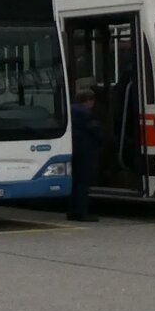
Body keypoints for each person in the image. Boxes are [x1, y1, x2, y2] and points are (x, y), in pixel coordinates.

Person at [69, 86, 104, 221]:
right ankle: (81, 213)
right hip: (85, 151)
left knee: (75, 182)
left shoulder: (70, 110)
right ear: (89, 100)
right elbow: (97, 132)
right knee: (83, 183)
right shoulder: (86, 113)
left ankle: (72, 211)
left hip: (73, 150)